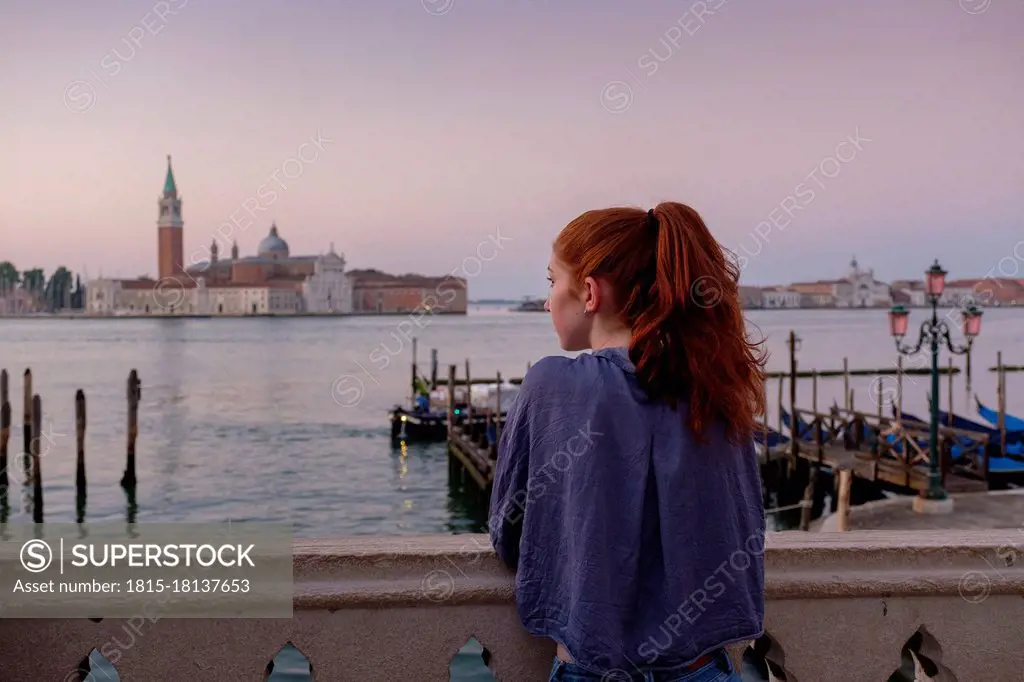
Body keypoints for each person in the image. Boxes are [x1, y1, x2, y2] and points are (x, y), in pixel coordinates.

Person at [489, 202, 766, 682]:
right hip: (703, 669)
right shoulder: (712, 385)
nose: (548, 299)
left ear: (590, 292)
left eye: (553, 281)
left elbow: (509, 532)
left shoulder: (551, 384)